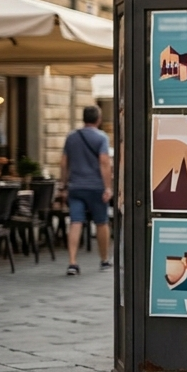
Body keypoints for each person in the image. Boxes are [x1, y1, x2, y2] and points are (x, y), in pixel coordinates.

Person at [60, 106, 113, 275]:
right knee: (101, 222)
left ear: (83, 119)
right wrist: (108, 187)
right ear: (98, 119)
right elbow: (104, 162)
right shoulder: (101, 137)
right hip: (96, 187)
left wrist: (63, 185)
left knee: (75, 222)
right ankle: (104, 260)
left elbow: (63, 163)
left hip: (76, 187)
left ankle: (72, 263)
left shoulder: (71, 137)